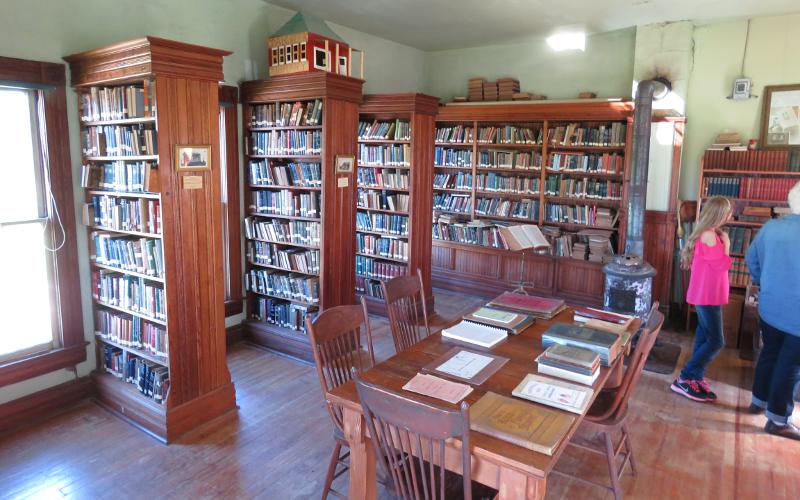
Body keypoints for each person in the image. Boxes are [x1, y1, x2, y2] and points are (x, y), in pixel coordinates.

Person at [746, 180, 800, 440]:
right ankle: (778, 419)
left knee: (770, 353)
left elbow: (751, 258)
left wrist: (763, 281)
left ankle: (758, 400)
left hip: (770, 306)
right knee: (791, 365)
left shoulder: (771, 227)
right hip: (796, 315)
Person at [671, 197, 732, 402]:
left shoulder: (711, 233)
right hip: (707, 296)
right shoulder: (709, 235)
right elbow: (722, 266)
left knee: (705, 337)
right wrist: (728, 245)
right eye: (728, 211)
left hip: (709, 295)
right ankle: (686, 377)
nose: (730, 215)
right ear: (719, 214)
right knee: (716, 341)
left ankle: (694, 377)